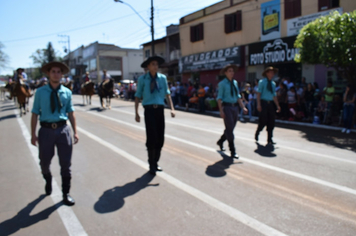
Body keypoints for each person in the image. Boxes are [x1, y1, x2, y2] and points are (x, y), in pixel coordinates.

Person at [31, 61, 79, 206]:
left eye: (59, 72)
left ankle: (66, 193)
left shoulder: (67, 92)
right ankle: (48, 178)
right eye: (53, 71)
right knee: (44, 162)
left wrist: (75, 132)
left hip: (63, 130)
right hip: (45, 131)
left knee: (66, 163)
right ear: (48, 73)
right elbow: (34, 114)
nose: (56, 74)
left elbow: (71, 113)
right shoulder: (40, 92)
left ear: (62, 75)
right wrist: (33, 134)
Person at [134, 56, 175, 175]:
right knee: (151, 137)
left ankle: (156, 162)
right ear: (148, 66)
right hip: (149, 110)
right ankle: (151, 163)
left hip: (160, 110)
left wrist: (172, 109)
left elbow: (167, 94)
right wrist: (136, 113)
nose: (155, 66)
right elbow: (137, 96)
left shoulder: (162, 78)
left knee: (160, 138)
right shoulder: (143, 79)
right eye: (153, 64)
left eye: (157, 64)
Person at [216, 64, 247, 158]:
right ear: (225, 73)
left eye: (232, 71)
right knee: (230, 129)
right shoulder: (222, 84)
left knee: (230, 128)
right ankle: (232, 150)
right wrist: (221, 110)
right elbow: (219, 98)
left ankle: (221, 141)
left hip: (235, 108)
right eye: (229, 71)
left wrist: (243, 107)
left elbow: (237, 96)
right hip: (227, 107)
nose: (232, 73)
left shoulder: (235, 83)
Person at [255, 66, 281, 145]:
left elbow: (274, 95)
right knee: (263, 120)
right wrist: (258, 104)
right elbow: (259, 94)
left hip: (271, 104)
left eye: (273, 72)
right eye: (271, 72)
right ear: (267, 73)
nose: (272, 74)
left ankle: (270, 139)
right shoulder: (262, 82)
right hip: (264, 103)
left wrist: (277, 105)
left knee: (271, 121)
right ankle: (258, 132)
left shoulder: (273, 84)